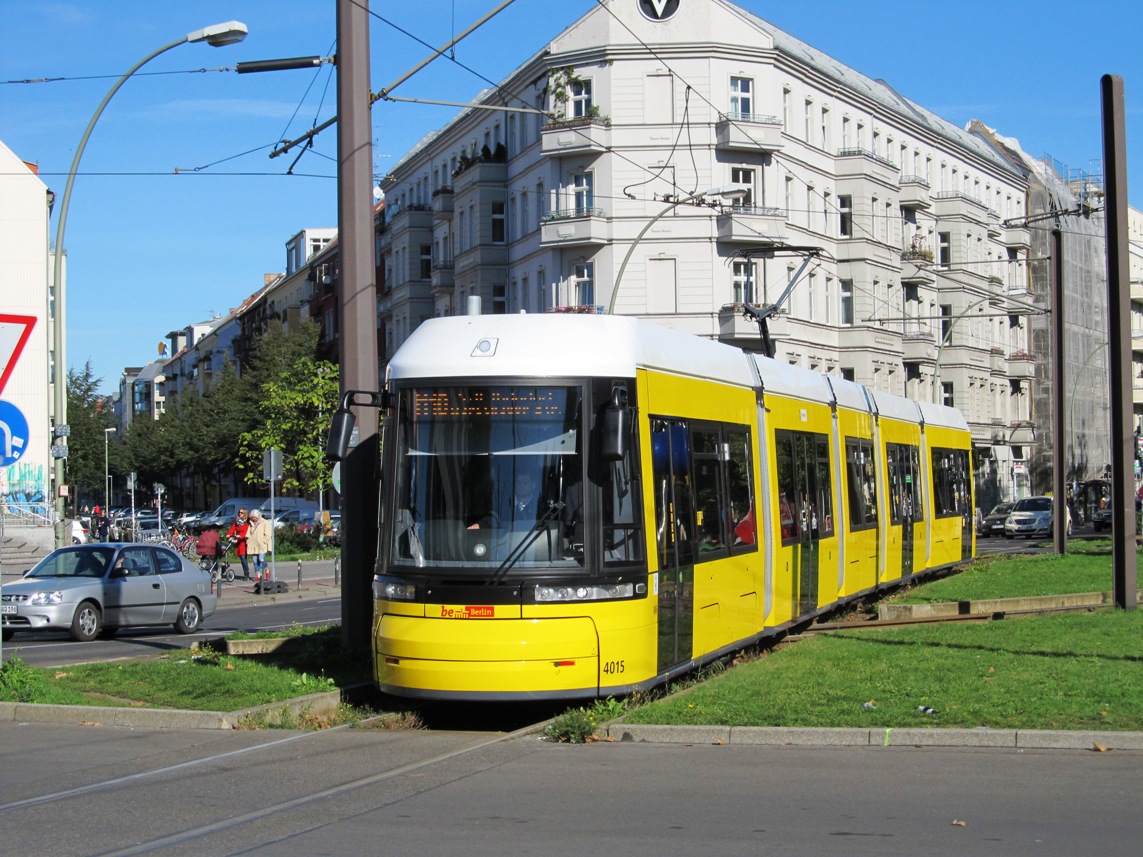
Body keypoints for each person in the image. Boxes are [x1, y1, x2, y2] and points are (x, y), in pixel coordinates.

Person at [246, 508, 272, 580]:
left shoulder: (265, 522)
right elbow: (248, 533)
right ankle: (258, 574)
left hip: (261, 544)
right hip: (253, 544)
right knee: (254, 560)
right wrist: (247, 540)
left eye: (254, 517)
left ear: (258, 516)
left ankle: (267, 570)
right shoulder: (250, 523)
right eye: (252, 517)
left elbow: (268, 533)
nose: (253, 518)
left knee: (261, 559)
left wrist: (264, 541)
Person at [227, 509, 251, 580]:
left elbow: (246, 532)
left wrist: (240, 536)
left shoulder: (247, 523)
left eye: (241, 513)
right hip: (238, 542)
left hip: (244, 542)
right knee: (241, 558)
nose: (240, 514)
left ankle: (246, 573)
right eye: (239, 512)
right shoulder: (237, 521)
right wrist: (229, 534)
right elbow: (232, 528)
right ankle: (245, 571)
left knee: (243, 558)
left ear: (245, 514)